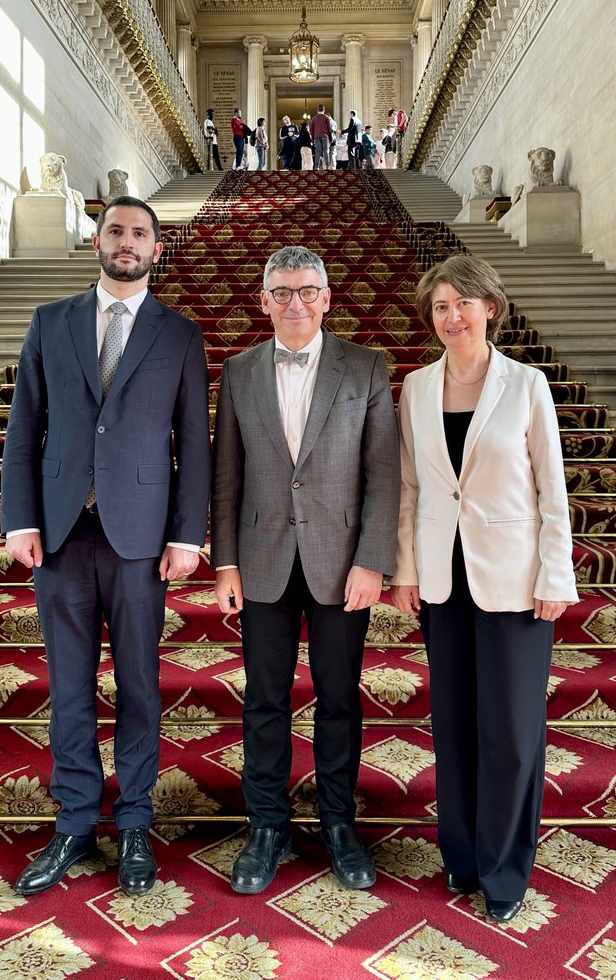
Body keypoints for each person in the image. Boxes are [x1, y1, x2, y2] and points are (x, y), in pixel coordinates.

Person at [1, 195, 212, 898]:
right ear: (97, 240)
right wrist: (19, 519)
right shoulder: (49, 322)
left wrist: (188, 533)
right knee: (69, 686)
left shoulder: (180, 335)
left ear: (157, 249)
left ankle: (134, 823)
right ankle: (73, 820)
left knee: (140, 686)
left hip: (140, 538)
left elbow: (195, 446)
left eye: (141, 234)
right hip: (60, 533)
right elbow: (24, 427)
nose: (128, 242)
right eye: (116, 230)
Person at [389, 256, 577, 923]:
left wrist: (556, 574)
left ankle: (504, 868)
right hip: (444, 578)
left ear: (489, 307)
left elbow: (551, 491)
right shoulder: (415, 387)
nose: (453, 315)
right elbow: (411, 487)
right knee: (456, 726)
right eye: (441, 306)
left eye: (464, 302)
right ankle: (462, 857)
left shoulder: (525, 385)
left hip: (516, 581)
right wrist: (406, 569)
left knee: (512, 733)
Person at [211, 245, 400, 896]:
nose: (296, 303)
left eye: (308, 291)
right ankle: (267, 826)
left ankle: (339, 823)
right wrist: (225, 563)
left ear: (327, 297)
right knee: (264, 702)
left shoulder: (365, 368)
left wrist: (374, 560)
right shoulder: (237, 371)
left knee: (340, 700)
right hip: (261, 561)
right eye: (282, 292)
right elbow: (225, 476)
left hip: (342, 562)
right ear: (263, 302)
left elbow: (383, 475)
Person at [309, 104, 333, 169]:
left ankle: (316, 166)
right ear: (324, 110)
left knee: (318, 151)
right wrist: (330, 138)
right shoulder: (326, 117)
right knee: (326, 151)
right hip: (325, 136)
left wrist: (312, 139)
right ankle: (327, 166)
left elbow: (311, 130)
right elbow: (329, 129)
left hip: (317, 137)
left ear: (317, 110)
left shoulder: (314, 118)